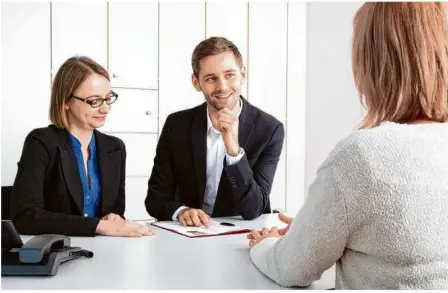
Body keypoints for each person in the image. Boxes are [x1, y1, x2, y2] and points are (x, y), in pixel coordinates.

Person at [247, 2, 448, 289]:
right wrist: (311, 231)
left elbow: (290, 268)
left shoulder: (363, 156)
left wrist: (265, 245)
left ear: (369, 62)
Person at [145, 37, 285, 226]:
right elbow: (155, 200)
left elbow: (253, 208)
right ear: (196, 82)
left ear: (243, 75)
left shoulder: (270, 130)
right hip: (189, 235)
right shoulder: (176, 125)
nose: (222, 87)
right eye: (211, 78)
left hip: (240, 234)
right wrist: (181, 212)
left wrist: (234, 152)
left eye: (230, 75)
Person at [10, 56, 154, 237]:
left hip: (104, 251)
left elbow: (115, 213)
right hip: (58, 251)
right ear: (66, 102)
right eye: (94, 101)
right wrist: (97, 225)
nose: (105, 109)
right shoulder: (41, 142)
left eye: (108, 99)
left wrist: (114, 219)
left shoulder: (115, 148)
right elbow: (25, 217)